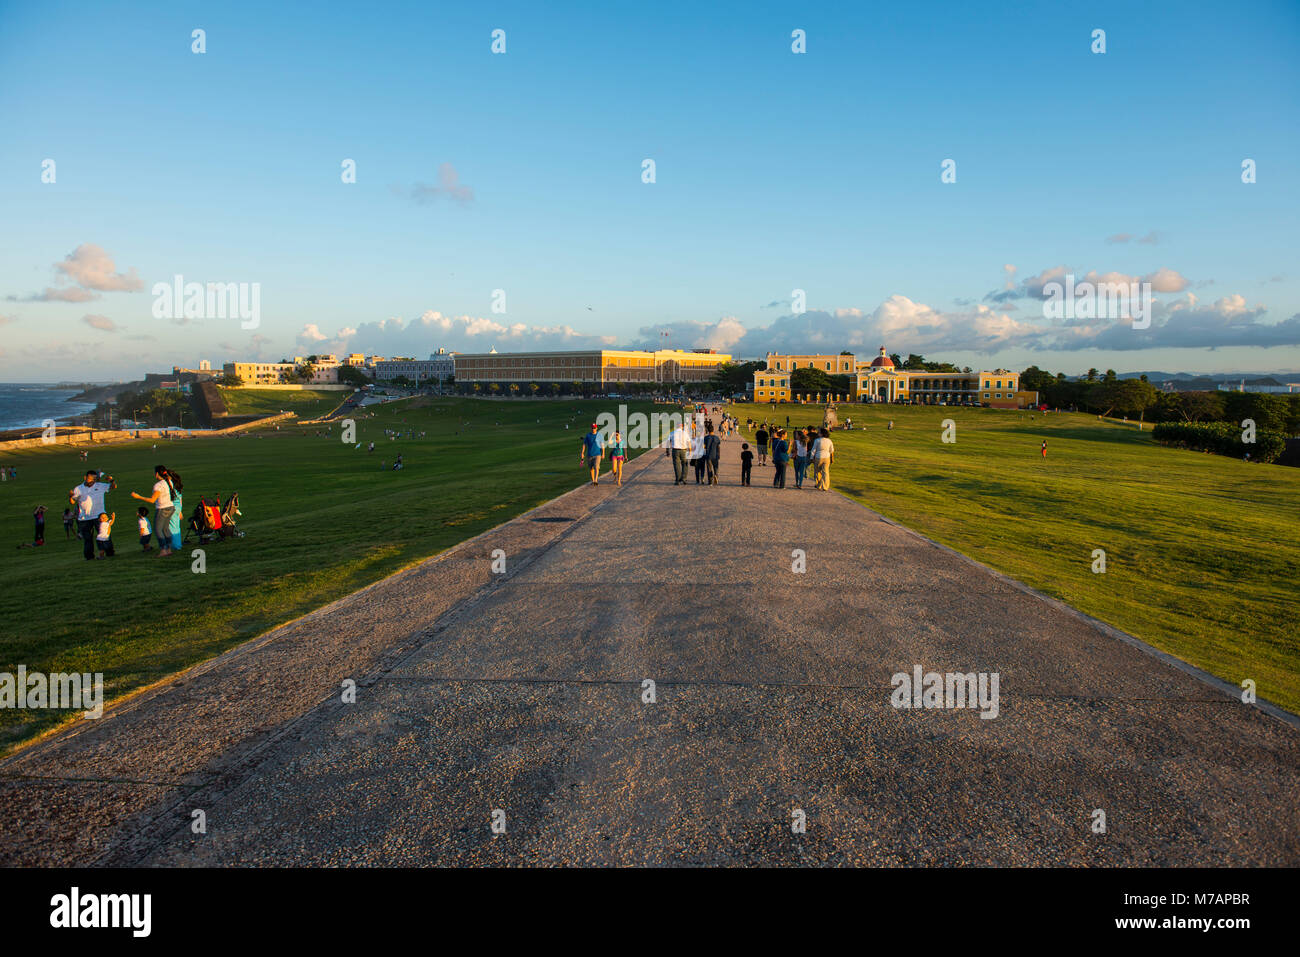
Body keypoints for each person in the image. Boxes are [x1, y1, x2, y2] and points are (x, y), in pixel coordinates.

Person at [130, 465, 179, 557]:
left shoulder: (158, 485)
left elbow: (152, 500)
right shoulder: (169, 482)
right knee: (165, 529)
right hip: (170, 507)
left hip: (162, 509)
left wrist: (138, 496)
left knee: (158, 530)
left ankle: (163, 550)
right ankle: (168, 549)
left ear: (156, 474)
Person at [69, 469, 116, 561]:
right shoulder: (78, 489)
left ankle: (110, 553)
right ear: (85, 478)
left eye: (94, 479)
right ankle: (89, 556)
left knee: (105, 535)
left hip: (100, 517)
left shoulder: (100, 485)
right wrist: (70, 496)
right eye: (91, 479)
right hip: (84, 518)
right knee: (87, 539)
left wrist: (112, 481)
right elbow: (72, 502)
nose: (93, 481)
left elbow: (113, 487)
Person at [666, 419, 691, 485]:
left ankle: (678, 480)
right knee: (685, 464)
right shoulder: (685, 433)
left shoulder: (672, 433)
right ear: (682, 426)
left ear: (676, 426)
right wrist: (690, 451)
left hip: (675, 450)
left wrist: (667, 451)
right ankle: (684, 479)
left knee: (677, 465)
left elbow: (668, 442)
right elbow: (689, 442)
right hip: (684, 450)